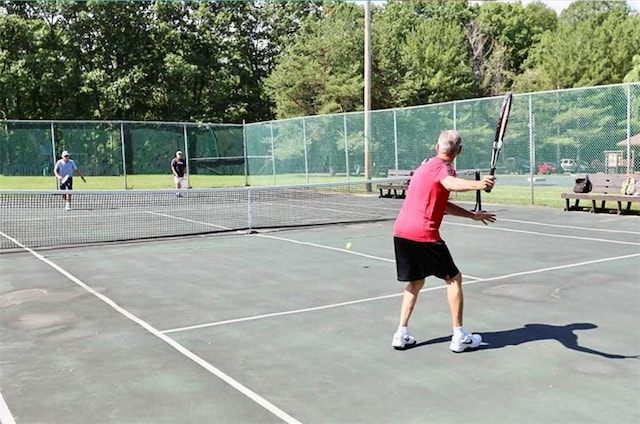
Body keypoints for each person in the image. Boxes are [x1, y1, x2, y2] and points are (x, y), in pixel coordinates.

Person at [391, 130, 496, 353]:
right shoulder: (444, 168)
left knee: (415, 282)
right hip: (424, 233)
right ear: (459, 151)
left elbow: (441, 200)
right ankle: (459, 336)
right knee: (454, 279)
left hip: (401, 231)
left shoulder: (425, 166)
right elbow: (450, 184)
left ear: (436, 146)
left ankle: (401, 334)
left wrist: (472, 215)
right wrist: (480, 185)